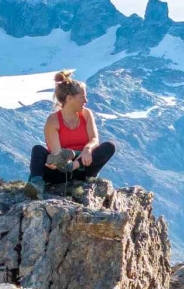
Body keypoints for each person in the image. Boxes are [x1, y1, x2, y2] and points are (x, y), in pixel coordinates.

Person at [25, 71, 116, 199]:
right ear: (69, 98)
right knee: (38, 150)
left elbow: (94, 139)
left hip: (84, 167)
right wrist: (61, 160)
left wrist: (87, 149)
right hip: (61, 171)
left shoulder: (86, 114)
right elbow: (57, 154)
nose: (86, 100)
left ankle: (73, 165)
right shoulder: (53, 121)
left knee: (109, 146)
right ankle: (36, 185)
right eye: (82, 97)